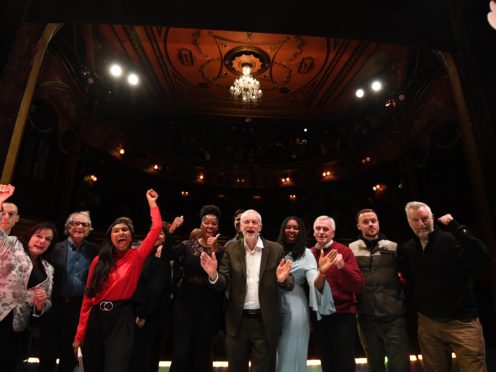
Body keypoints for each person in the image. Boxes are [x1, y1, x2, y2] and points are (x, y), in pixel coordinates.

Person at [72, 188, 162, 372]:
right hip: (96, 319)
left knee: (117, 367)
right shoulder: (99, 261)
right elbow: (88, 299)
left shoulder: (137, 256)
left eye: (125, 230)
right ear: (110, 237)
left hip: (122, 319)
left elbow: (156, 228)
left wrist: (152, 204)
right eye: (116, 231)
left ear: (130, 236)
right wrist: (79, 335)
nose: (120, 233)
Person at [399, 201, 492, 372]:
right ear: (408, 221)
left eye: (425, 218)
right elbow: (410, 281)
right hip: (428, 324)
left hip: (462, 323)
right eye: (415, 220)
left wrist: (456, 227)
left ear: (433, 218)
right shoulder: (408, 248)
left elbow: (483, 258)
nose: (421, 224)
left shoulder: (451, 240)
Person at [200, 209, 294, 372]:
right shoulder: (231, 248)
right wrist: (213, 274)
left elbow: (290, 283)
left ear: (260, 227)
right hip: (237, 322)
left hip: (264, 323)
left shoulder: (276, 249)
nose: (250, 225)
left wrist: (282, 279)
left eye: (254, 222)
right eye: (246, 222)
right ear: (240, 226)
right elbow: (223, 281)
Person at [0, 184, 56, 372]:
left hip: (18, 324)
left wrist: (40, 305)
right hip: (1, 312)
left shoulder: (48, 268)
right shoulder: (13, 245)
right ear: (30, 236)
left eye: (47, 239)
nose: (42, 241)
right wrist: (0, 200)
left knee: (7, 364)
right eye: (38, 236)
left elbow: (47, 299)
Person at [38, 211, 100, 372]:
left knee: (70, 356)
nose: (79, 227)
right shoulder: (54, 248)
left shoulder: (96, 251)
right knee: (48, 354)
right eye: (75, 223)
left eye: (84, 225)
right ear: (68, 227)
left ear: (89, 229)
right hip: (55, 306)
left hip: (79, 309)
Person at [349, 209, 409, 372]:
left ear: (378, 223)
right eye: (366, 222)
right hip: (366, 317)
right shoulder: (351, 250)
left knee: (400, 365)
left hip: (393, 317)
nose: (370, 224)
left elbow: (408, 276)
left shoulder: (393, 247)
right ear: (358, 226)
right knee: (374, 365)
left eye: (373, 221)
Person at [275, 216, 334, 372]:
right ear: (283, 229)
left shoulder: (306, 254)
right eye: (288, 227)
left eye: (296, 228)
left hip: (295, 309)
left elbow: (314, 281)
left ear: (301, 232)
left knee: (291, 351)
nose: (292, 230)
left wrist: (321, 273)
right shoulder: (273, 250)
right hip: (272, 306)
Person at [169, 205, 224, 372]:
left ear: (218, 226)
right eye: (206, 222)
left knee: (203, 353)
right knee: (181, 353)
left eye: (213, 223)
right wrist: (170, 230)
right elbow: (167, 255)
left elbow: (222, 280)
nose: (210, 226)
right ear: (201, 224)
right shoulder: (187, 245)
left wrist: (214, 251)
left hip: (208, 306)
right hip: (184, 304)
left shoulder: (222, 250)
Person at [311, 215, 364, 372]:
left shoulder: (344, 252)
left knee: (345, 363)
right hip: (319, 317)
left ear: (333, 233)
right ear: (313, 232)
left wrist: (342, 266)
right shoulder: (308, 254)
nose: (321, 232)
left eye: (325, 229)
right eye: (318, 229)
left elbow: (359, 285)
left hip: (343, 315)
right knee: (327, 362)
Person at [130, 216, 184, 372]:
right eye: (154, 233)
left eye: (161, 234)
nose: (156, 236)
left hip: (150, 317)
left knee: (145, 356)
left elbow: (155, 289)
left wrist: (143, 313)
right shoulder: (150, 256)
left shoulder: (161, 261)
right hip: (149, 313)